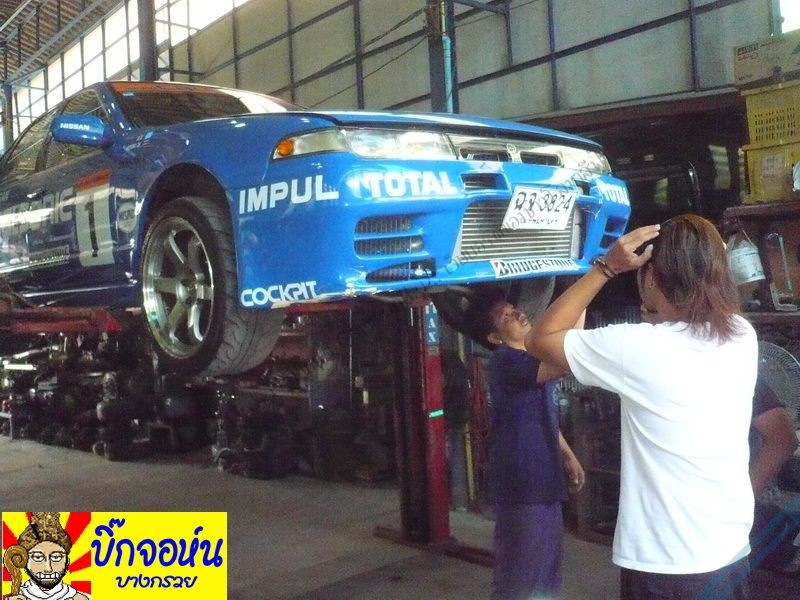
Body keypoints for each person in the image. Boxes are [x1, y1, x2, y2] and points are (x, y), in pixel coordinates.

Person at [524, 215, 758, 599]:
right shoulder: (741, 334)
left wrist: (605, 268)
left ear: (654, 278)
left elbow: (540, 339)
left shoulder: (638, 348)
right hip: (729, 551)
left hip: (666, 565)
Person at [471, 294, 585, 600]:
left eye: (514, 309)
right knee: (520, 576)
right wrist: (589, 286)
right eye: (506, 316)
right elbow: (568, 356)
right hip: (522, 484)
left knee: (546, 571)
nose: (517, 314)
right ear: (495, 338)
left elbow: (541, 412)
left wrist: (568, 455)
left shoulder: (531, 360)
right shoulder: (506, 362)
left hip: (544, 480)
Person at [3, 512, 89, 600]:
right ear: (25, 560)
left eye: (56, 557)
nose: (48, 569)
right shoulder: (18, 596)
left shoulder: (77, 598)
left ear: (67, 560)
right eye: (37, 557)